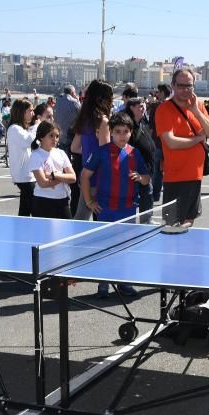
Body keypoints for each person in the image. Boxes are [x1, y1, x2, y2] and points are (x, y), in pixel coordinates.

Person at [81, 113, 150, 297]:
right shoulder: (101, 152)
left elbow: (146, 178)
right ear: (111, 132)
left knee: (125, 249)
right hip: (105, 210)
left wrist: (141, 178)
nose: (122, 135)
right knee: (105, 248)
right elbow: (85, 176)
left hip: (127, 210)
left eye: (125, 131)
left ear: (130, 132)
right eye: (118, 131)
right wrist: (89, 201)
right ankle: (103, 285)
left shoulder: (135, 154)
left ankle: (123, 283)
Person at [154, 69, 209, 227]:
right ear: (173, 86)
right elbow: (171, 142)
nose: (185, 90)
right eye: (181, 86)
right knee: (171, 223)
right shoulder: (164, 109)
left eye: (189, 86)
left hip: (195, 175)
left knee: (190, 219)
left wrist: (196, 111)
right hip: (175, 176)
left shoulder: (198, 106)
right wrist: (197, 139)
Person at [70, 80, 114, 220]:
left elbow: (74, 147)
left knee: (81, 217)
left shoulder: (85, 119)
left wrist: (89, 155)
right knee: (103, 219)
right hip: (100, 179)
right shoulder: (103, 121)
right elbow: (105, 154)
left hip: (86, 176)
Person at [28, 120, 75, 218]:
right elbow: (43, 183)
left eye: (57, 136)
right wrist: (62, 177)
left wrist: (54, 175)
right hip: (43, 202)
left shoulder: (61, 153)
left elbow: (73, 177)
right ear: (41, 137)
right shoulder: (36, 155)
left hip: (62, 200)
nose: (55, 139)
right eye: (51, 136)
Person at [123, 96, 156, 217]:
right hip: (135, 170)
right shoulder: (128, 126)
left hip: (147, 169)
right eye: (140, 106)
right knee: (141, 196)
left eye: (144, 105)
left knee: (147, 195)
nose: (143, 108)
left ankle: (146, 220)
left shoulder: (142, 122)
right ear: (131, 108)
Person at [6, 98, 37, 217]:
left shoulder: (21, 128)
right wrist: (37, 125)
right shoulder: (14, 129)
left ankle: (21, 231)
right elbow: (28, 141)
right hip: (24, 175)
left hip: (26, 174)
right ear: (22, 112)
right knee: (32, 208)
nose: (33, 114)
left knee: (25, 208)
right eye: (30, 110)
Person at [54, 85, 81, 154]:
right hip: (70, 134)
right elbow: (82, 115)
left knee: (62, 155)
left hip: (59, 134)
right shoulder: (75, 102)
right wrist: (78, 100)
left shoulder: (58, 101)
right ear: (72, 93)